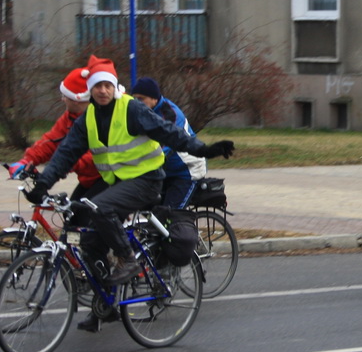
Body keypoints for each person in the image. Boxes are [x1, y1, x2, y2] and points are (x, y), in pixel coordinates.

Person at [23, 55, 234, 332]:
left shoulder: (131, 109)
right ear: (90, 90)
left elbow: (169, 133)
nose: (103, 91)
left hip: (147, 181)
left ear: (114, 87)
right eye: (98, 86)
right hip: (118, 183)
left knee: (100, 208)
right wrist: (43, 184)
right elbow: (65, 155)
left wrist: (204, 149)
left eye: (107, 85)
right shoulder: (88, 118)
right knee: (89, 241)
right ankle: (105, 306)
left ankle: (128, 260)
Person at [6, 67, 108, 200]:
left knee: (83, 211)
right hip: (89, 179)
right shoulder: (70, 117)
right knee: (71, 211)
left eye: (65, 96)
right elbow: (50, 141)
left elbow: (95, 155)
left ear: (76, 99)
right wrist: (27, 160)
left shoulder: (103, 118)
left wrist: (67, 164)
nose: (63, 99)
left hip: (109, 178)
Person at [130, 77, 207, 209]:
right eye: (135, 99)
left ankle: (176, 223)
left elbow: (167, 145)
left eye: (141, 99)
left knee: (170, 214)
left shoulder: (171, 114)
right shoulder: (141, 113)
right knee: (147, 210)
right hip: (164, 172)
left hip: (186, 171)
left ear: (154, 98)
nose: (137, 102)